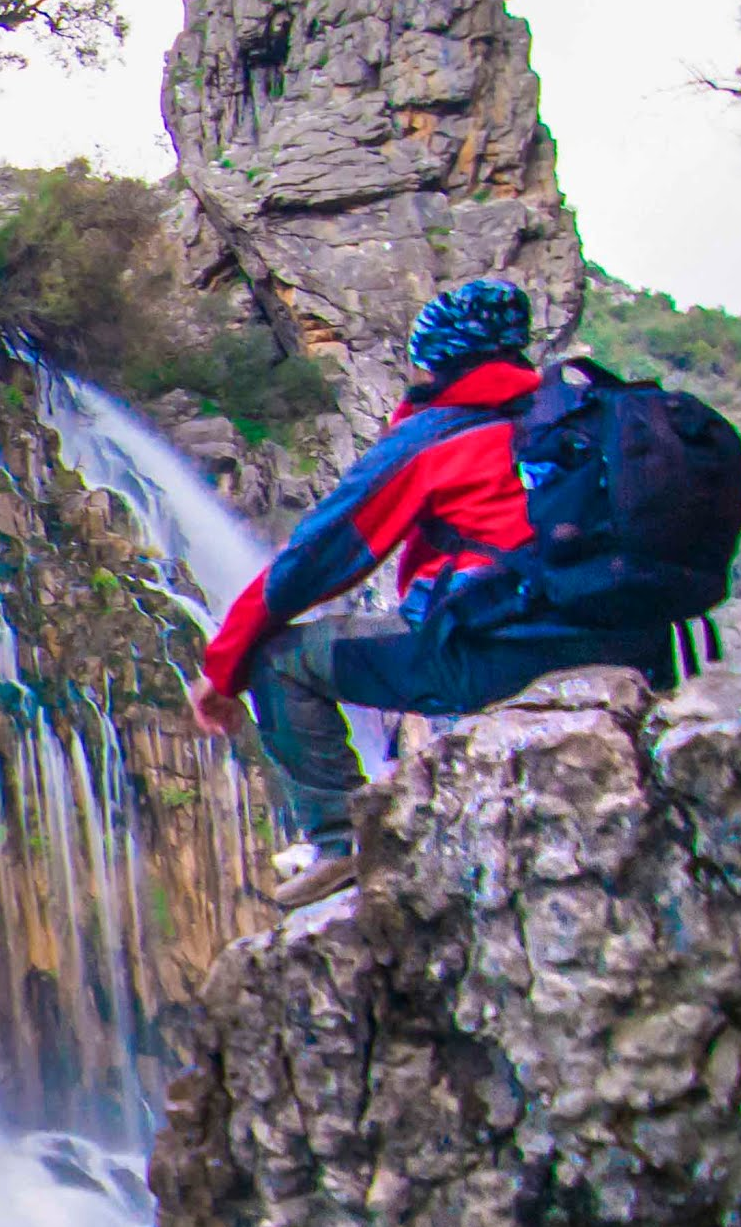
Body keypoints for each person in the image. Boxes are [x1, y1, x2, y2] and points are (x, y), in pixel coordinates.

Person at [188, 276, 680, 905]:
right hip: (640, 644)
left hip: (501, 651)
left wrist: (224, 666)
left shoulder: (436, 437)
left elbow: (314, 561)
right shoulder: (586, 417)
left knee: (277, 659)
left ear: (431, 362)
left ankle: (340, 844)